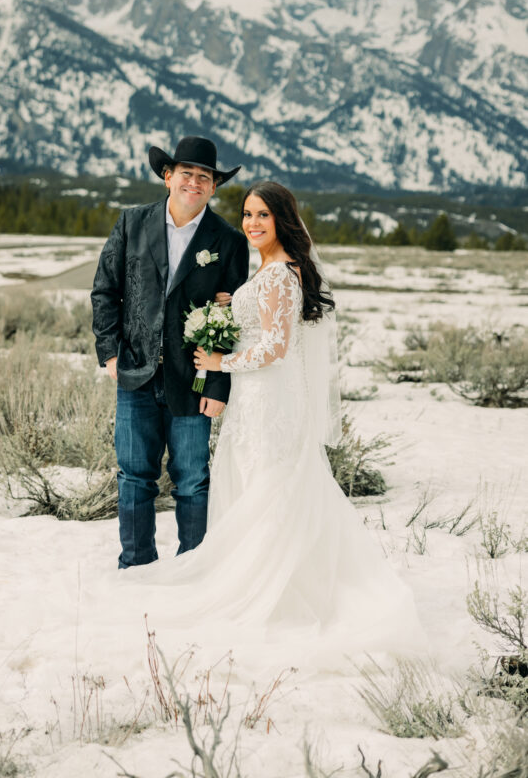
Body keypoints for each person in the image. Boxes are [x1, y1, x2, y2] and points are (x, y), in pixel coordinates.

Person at [112, 181, 426, 665]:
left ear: (282, 219)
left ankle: (272, 591)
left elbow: (275, 349)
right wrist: (223, 315)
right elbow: (260, 332)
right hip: (257, 399)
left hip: (270, 400)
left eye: (263, 215)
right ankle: (257, 578)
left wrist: (219, 364)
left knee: (270, 488)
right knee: (259, 486)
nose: (253, 223)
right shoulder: (269, 269)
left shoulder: (280, 275)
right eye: (248, 214)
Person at [91, 136, 249, 569]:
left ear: (214, 187)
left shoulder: (229, 242)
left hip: (193, 379)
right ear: (167, 177)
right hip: (135, 374)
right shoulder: (131, 223)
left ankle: (191, 570)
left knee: (193, 481)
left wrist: (218, 384)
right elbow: (105, 291)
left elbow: (230, 318)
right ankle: (136, 565)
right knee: (134, 478)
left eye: (204, 177)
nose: (194, 183)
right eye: (186, 174)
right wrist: (110, 354)